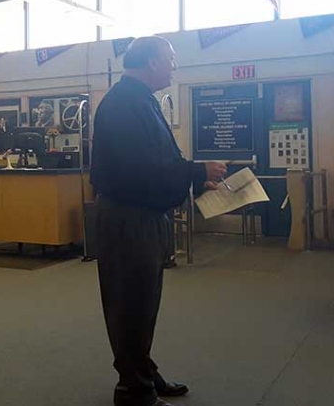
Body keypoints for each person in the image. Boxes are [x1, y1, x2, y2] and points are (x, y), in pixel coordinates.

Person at [90, 36, 227, 406]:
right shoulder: (123, 104)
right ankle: (132, 389)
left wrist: (198, 178)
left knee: (144, 302)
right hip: (126, 219)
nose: (174, 66)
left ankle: (143, 371)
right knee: (130, 304)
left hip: (140, 217)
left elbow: (159, 159)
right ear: (151, 62)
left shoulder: (139, 101)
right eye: (170, 59)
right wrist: (195, 170)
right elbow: (142, 169)